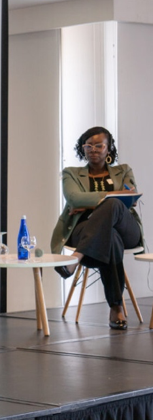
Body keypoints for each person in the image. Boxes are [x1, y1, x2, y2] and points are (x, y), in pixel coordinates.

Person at [50, 126, 143, 330]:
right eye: (88, 145)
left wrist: (91, 203)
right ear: (82, 148)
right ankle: (116, 307)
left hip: (126, 228)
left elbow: (129, 199)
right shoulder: (71, 174)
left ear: (108, 148)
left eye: (99, 145)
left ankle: (76, 258)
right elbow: (74, 198)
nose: (93, 149)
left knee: (114, 205)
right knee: (110, 238)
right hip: (84, 229)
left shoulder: (124, 170)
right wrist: (114, 195)